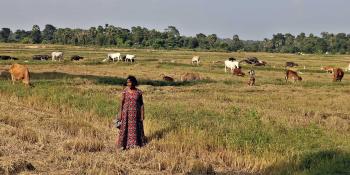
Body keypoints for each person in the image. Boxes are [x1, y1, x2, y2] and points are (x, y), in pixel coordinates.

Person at [116, 76, 146, 150]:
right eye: (127, 82)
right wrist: (120, 113)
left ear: (134, 82)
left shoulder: (139, 92)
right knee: (125, 128)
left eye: (129, 82)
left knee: (136, 129)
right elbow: (121, 103)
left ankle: (135, 144)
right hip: (126, 113)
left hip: (136, 114)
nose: (128, 84)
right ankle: (123, 144)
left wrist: (142, 114)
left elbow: (141, 104)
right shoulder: (125, 91)